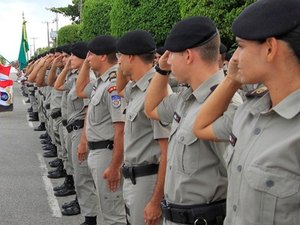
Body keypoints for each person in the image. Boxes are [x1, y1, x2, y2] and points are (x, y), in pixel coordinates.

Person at [193, 0, 300, 225]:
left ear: (270, 48)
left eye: (241, 46)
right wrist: (232, 79)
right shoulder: (251, 111)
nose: (234, 58)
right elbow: (200, 126)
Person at [144, 16, 241, 225]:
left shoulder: (227, 105)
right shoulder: (186, 97)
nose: (168, 60)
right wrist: (161, 70)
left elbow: (238, 182)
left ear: (188, 55)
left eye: (171, 55)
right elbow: (151, 109)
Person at [116, 30, 171, 225]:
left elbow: (166, 152)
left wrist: (156, 201)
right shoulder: (135, 88)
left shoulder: (157, 91)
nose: (118, 62)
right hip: (133, 179)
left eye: (120, 56)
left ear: (130, 56)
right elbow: (120, 86)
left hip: (148, 182)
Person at [76, 35, 127, 225]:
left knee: (114, 212)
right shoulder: (101, 82)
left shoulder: (113, 85)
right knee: (107, 209)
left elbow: (120, 128)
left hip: (108, 153)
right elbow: (80, 90)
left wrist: (115, 165)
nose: (87, 58)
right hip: (98, 152)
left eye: (91, 54)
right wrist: (86, 65)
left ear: (103, 56)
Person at [54, 42, 98, 225]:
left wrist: (84, 140)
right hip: (73, 130)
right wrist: (65, 67)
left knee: (83, 176)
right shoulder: (76, 77)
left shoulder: (90, 79)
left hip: (81, 131)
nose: (69, 59)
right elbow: (56, 85)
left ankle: (90, 217)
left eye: (72, 56)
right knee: (79, 175)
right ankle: (83, 206)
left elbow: (89, 112)